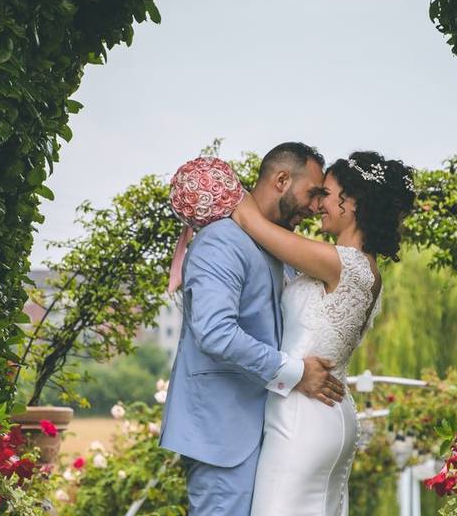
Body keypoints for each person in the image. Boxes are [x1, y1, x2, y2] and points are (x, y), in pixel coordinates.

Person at [159, 142, 346, 516]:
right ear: (281, 179)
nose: (314, 207)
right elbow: (216, 333)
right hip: (223, 436)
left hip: (265, 432)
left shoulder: (269, 246)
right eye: (311, 193)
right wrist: (296, 374)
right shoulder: (220, 242)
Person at [233, 150, 416, 516]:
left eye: (327, 194)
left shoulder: (339, 262)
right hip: (326, 412)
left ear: (352, 204)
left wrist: (213, 182)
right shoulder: (365, 269)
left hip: (302, 415)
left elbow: (250, 221)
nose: (318, 205)